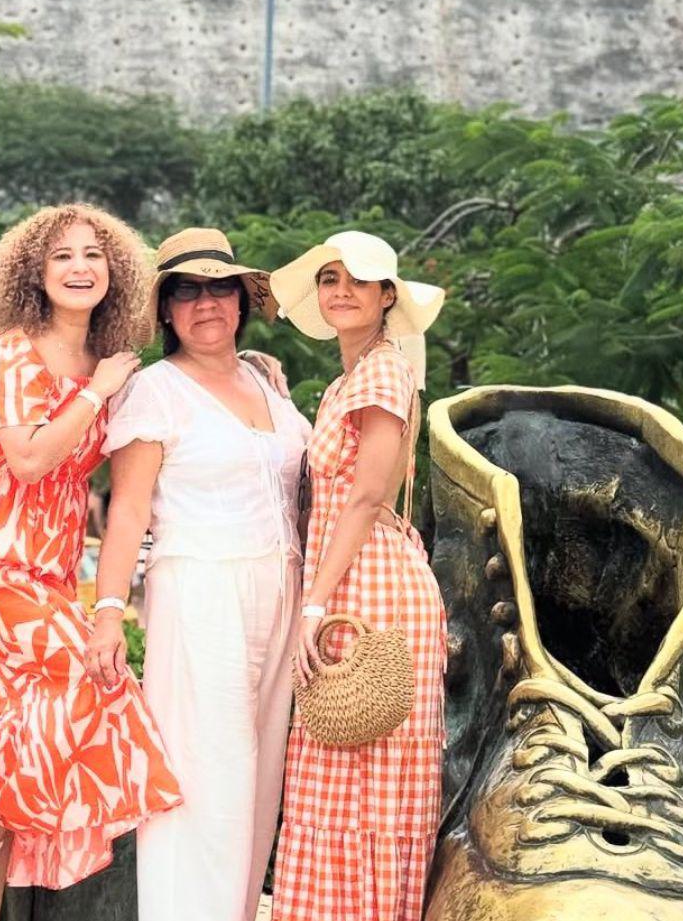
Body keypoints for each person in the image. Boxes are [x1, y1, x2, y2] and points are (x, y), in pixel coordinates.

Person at [0, 204, 181, 920]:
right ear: (34, 273)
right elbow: (29, 461)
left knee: (10, 744)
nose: (79, 267)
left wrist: (254, 368)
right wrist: (93, 393)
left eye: (93, 254)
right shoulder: (14, 352)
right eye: (62, 256)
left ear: (114, 272)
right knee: (87, 680)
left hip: (47, 571)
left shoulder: (113, 365)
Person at [93, 228, 311, 921]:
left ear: (242, 300)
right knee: (205, 778)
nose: (206, 304)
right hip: (202, 590)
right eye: (187, 291)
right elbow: (128, 510)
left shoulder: (266, 381)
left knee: (260, 781)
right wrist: (107, 610)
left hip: (283, 588)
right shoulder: (154, 391)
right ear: (166, 309)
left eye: (220, 288)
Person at [268, 231, 447, 921]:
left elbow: (368, 495)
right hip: (353, 577)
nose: (340, 290)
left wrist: (312, 607)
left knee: (365, 784)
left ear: (386, 296)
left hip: (367, 585)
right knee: (342, 778)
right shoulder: (354, 377)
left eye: (358, 280)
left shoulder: (380, 372)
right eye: (329, 278)